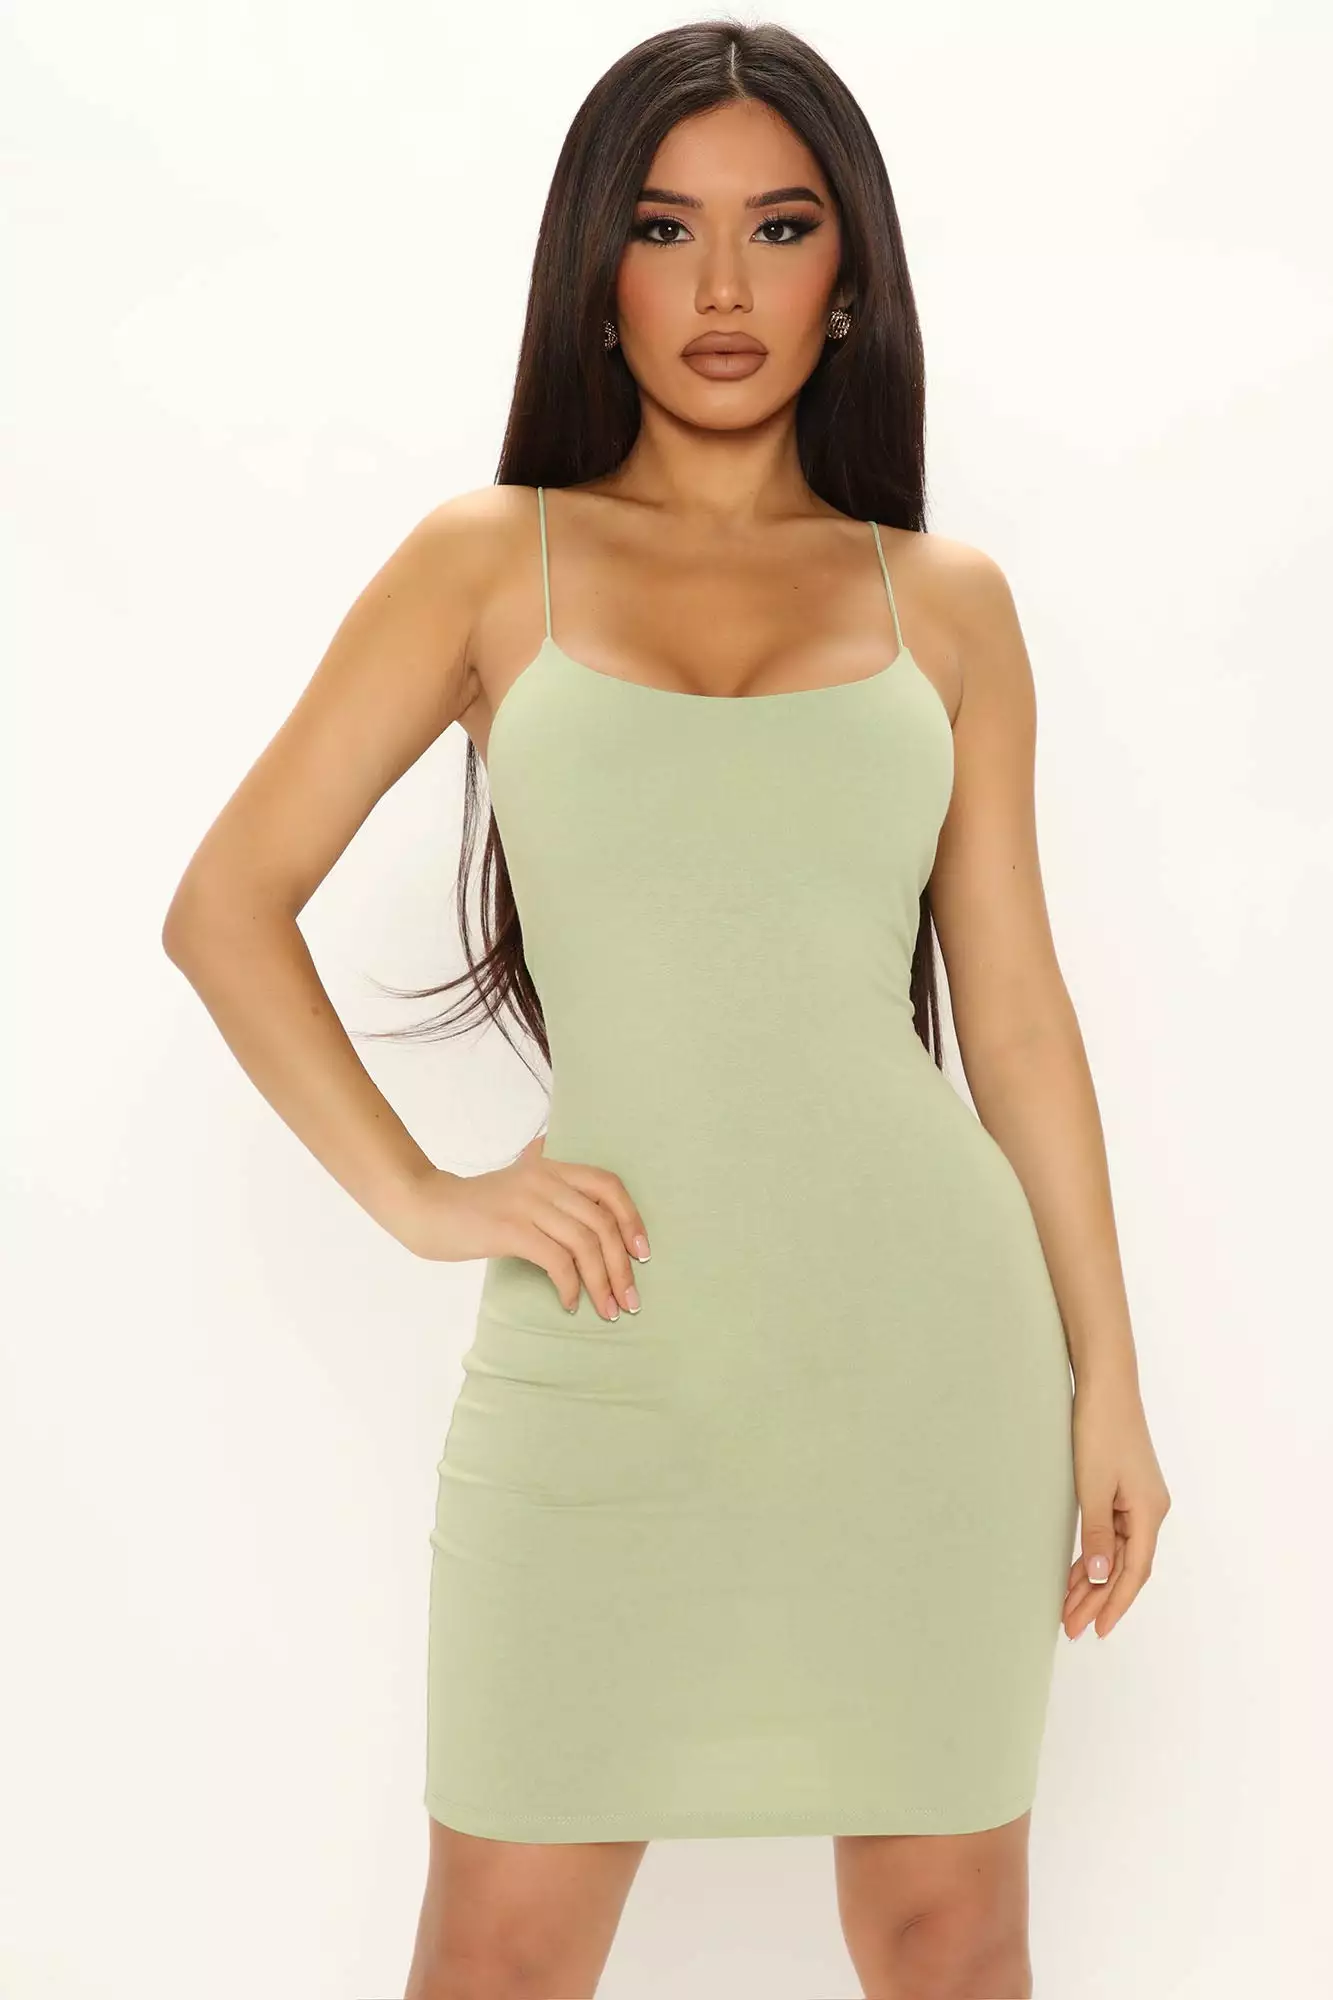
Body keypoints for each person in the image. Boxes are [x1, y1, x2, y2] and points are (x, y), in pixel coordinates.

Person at [162, 19, 1171, 2000]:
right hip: (607, 1356)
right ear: (595, 270)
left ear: (849, 271)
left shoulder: (945, 602)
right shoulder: (489, 560)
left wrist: (1107, 1378)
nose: (722, 287)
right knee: (500, 1954)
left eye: (779, 228)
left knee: (949, 1946)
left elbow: (1018, 1019)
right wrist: (426, 1194)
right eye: (664, 226)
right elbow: (225, 907)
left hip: (921, 1366)